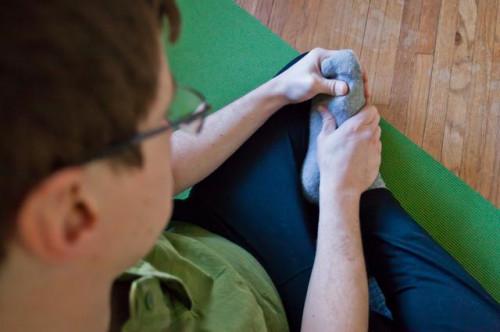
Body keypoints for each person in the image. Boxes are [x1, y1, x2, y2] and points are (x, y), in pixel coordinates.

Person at [0, 1, 499, 332]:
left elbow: (167, 169)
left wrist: (275, 93)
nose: (176, 126)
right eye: (159, 122)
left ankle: (344, 217)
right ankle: (351, 227)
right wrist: (340, 201)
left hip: (213, 237)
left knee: (311, 81)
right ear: (74, 215)